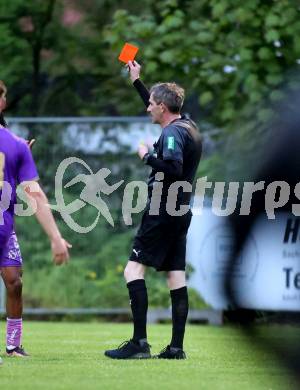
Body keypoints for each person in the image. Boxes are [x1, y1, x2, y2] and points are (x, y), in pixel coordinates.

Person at [105, 61, 202, 359]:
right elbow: (161, 108)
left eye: (150, 104)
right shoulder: (189, 126)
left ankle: (139, 344)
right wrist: (137, 82)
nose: (147, 108)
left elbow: (173, 167)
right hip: (181, 210)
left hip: (162, 209)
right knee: (176, 275)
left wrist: (147, 156)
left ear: (162, 107)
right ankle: (175, 348)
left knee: (132, 269)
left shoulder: (172, 134)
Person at [0, 80, 71, 361]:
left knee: (15, 282)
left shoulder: (16, 145)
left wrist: (55, 237)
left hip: (4, 229)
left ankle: (13, 345)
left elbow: (36, 195)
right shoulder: (16, 145)